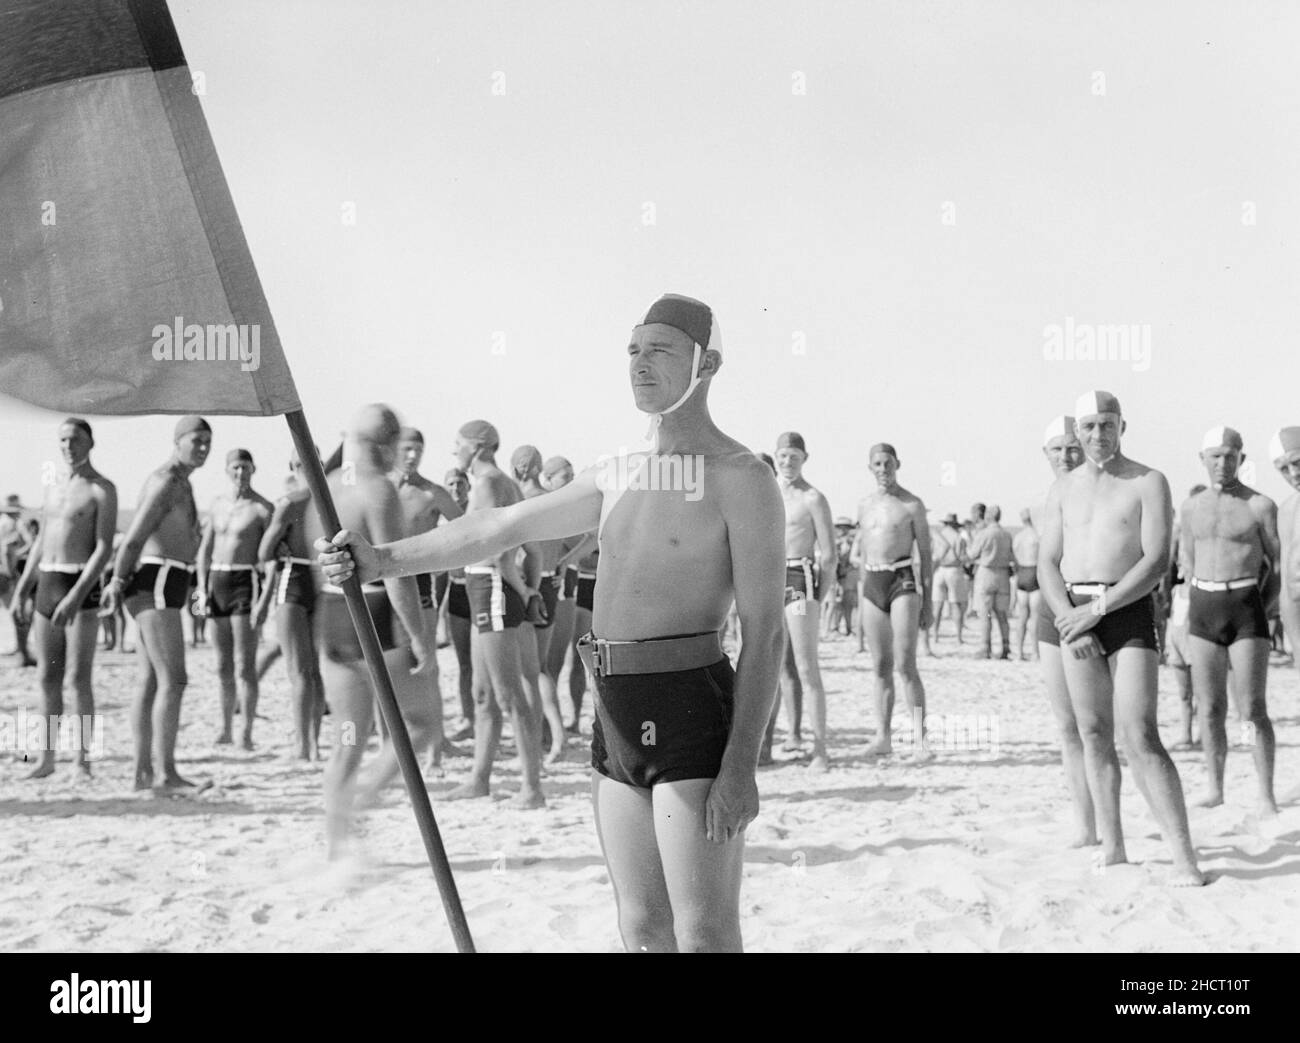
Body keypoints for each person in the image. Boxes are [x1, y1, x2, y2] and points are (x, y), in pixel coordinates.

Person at [317, 293, 785, 951]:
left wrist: (741, 765)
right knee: (642, 924)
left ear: (708, 363)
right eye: (632, 348)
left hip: (691, 708)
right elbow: (498, 527)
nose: (639, 363)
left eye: (660, 349)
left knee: (703, 929)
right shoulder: (618, 472)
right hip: (615, 708)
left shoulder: (742, 476)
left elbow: (765, 631)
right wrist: (381, 557)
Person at [1038, 392, 1202, 885]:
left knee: (1140, 733)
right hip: (1075, 613)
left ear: (1122, 426)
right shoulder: (1063, 488)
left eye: (1106, 425)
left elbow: (1155, 562)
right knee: (1092, 733)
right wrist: (1069, 616)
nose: (1096, 435)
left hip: (1124, 611)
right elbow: (1048, 560)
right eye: (1087, 426)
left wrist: (1097, 611)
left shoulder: (1148, 481)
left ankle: (1183, 856)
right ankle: (1113, 845)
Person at [300, 405, 439, 856]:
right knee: (421, 724)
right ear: (387, 443)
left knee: (347, 738)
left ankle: (335, 844)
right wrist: (421, 640)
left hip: (331, 615)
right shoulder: (378, 490)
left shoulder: (324, 488)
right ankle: (359, 803)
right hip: (373, 613)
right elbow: (394, 570)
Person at [100, 416, 212, 791]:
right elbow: (133, 538)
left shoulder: (182, 482)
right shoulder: (166, 481)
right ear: (177, 441)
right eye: (196, 441)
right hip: (157, 579)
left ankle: (143, 772)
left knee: (151, 680)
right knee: (174, 679)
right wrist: (116, 580)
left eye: (207, 442)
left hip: (167, 580)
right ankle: (165, 774)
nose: (202, 448)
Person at [444, 420, 545, 807]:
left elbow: (487, 545)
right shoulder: (503, 483)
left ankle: (532, 788)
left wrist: (518, 585)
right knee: (483, 693)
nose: (455, 450)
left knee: (509, 694)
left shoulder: (489, 483)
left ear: (479, 445)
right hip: (483, 586)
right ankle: (479, 779)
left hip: (491, 587)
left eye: (458, 443)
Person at [1180, 427, 1279, 815]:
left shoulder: (1259, 505)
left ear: (1242, 458)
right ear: (1202, 459)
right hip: (1204, 606)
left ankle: (1266, 793)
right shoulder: (1190, 507)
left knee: (1252, 707)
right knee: (1209, 707)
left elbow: (1278, 562)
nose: (1223, 463)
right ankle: (1215, 787)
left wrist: (1261, 605)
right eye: (1215, 456)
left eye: (1230, 455)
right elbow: (1187, 559)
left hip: (1245, 607)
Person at [11, 419, 117, 777]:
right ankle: (46, 759)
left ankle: (83, 759)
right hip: (48, 583)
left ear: (91, 442)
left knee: (78, 679)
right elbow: (41, 544)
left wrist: (75, 596)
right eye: (63, 440)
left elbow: (103, 549)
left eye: (75, 439)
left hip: (79, 584)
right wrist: (24, 588)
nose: (68, 446)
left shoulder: (102, 489)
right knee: (46, 677)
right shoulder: (53, 488)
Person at [1033, 415, 1096, 846]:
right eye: (1057, 448)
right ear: (1046, 454)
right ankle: (1086, 824)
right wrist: (1064, 615)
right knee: (1068, 724)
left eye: (1072, 447)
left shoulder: (1107, 490)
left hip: (1100, 610)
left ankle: (1108, 823)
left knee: (1102, 727)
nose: (1066, 455)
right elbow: (1046, 565)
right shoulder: (1049, 498)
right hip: (1055, 611)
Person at [853, 443, 932, 758]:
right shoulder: (864, 505)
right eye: (877, 464)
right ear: (870, 467)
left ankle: (920, 738)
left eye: (888, 464)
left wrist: (928, 602)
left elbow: (926, 554)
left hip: (902, 579)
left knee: (905, 664)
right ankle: (883, 736)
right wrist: (861, 595)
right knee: (880, 666)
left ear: (898, 464)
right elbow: (862, 556)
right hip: (872, 581)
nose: (883, 470)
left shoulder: (912, 505)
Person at [390, 427, 463, 766]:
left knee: (427, 661)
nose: (411, 456)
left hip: (418, 579)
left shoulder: (431, 493)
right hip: (381, 581)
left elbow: (464, 529)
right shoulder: (381, 491)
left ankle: (436, 745)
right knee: (388, 662)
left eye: (417, 450)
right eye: (406, 449)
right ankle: (392, 743)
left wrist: (439, 557)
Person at [197, 449, 273, 749]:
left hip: (244, 582)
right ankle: (226, 728)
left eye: (245, 468)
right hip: (216, 582)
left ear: (253, 469)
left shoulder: (262, 508)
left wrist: (264, 599)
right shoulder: (216, 505)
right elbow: (204, 551)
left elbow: (269, 560)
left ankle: (247, 731)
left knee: (245, 665)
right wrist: (201, 590)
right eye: (235, 468)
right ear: (227, 470)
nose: (240, 473)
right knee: (221, 665)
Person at [258, 450, 326, 760]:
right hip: (318, 580)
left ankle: (304, 747)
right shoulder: (330, 501)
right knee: (311, 672)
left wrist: (281, 545)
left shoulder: (289, 503)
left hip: (297, 578)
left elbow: (263, 553)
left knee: (301, 672)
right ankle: (310, 744)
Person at [771, 431, 833, 772]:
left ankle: (820, 748)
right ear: (775, 457)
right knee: (782, 666)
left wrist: (818, 596)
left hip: (800, 576)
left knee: (807, 666)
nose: (787, 462)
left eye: (794, 456)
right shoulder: (769, 494)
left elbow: (830, 555)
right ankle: (793, 735)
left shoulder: (813, 498)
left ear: (804, 458)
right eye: (782, 456)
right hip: (771, 577)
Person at [513, 446, 572, 763]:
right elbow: (590, 537)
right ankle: (551, 736)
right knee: (542, 668)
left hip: (527, 585)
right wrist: (564, 563)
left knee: (532, 670)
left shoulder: (520, 501)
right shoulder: (556, 504)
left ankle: (546, 738)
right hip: (550, 583)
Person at [441, 467, 475, 739]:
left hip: (481, 591)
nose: (456, 488)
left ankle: (488, 718)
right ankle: (467, 719)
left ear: (468, 486)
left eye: (460, 483)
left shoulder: (477, 513)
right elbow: (440, 576)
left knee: (485, 665)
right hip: (457, 592)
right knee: (464, 663)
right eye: (450, 484)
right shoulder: (443, 523)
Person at [1271, 427, 1300, 685]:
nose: (1294, 473)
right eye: (1284, 468)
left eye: (1298, 462)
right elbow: (1289, 588)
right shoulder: (1287, 511)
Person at [968, 505, 1014, 659]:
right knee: (1002, 614)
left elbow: (972, 554)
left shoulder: (984, 534)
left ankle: (985, 647)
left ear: (988, 516)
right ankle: (1006, 647)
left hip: (986, 573)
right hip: (1003, 575)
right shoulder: (1006, 535)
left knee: (985, 614)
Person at [929, 512, 969, 647]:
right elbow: (962, 556)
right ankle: (958, 636)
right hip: (954, 569)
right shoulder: (958, 537)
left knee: (937, 605)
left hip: (939, 569)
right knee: (955, 604)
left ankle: (935, 635)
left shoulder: (939, 536)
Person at [1010, 508, 1040, 661]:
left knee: (1022, 616)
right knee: (1034, 617)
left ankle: (1020, 652)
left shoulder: (1018, 537)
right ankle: (1035, 652)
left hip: (1022, 573)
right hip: (1034, 573)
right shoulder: (1037, 536)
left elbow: (1013, 559)